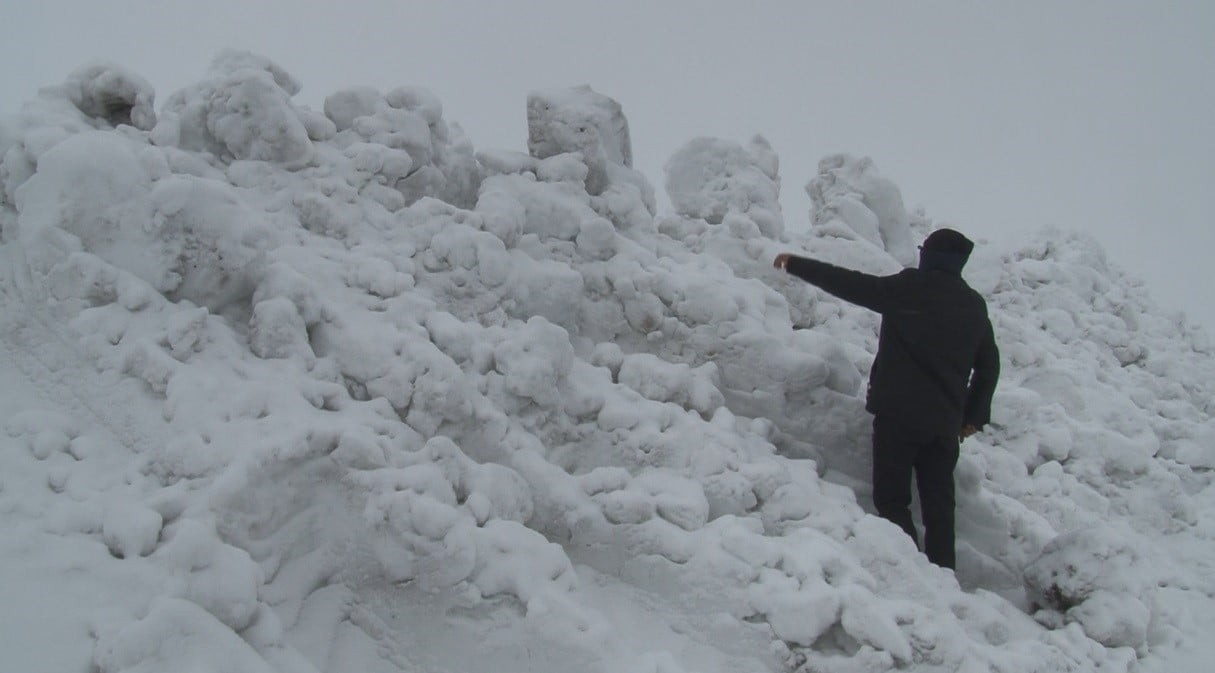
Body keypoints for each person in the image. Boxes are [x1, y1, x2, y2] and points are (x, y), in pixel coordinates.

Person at [773, 228, 999, 569]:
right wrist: (972, 416)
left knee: (892, 500)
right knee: (939, 509)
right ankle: (943, 575)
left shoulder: (909, 288)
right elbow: (989, 367)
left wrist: (797, 265)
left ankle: (914, 572)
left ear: (929, 256)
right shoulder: (973, 306)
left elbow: (851, 284)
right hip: (943, 426)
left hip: (899, 417)